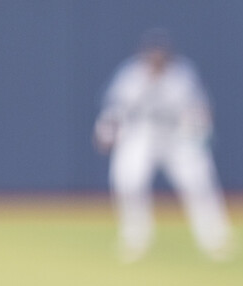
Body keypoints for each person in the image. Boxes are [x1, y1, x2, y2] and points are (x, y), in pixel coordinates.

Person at [93, 29, 234, 262]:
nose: (156, 59)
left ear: (168, 56)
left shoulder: (181, 75)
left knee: (198, 181)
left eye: (160, 55)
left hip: (177, 136)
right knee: (128, 181)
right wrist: (105, 131)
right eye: (152, 54)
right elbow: (115, 109)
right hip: (142, 135)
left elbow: (199, 109)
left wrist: (200, 132)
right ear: (145, 55)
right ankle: (134, 239)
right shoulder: (131, 75)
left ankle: (215, 238)